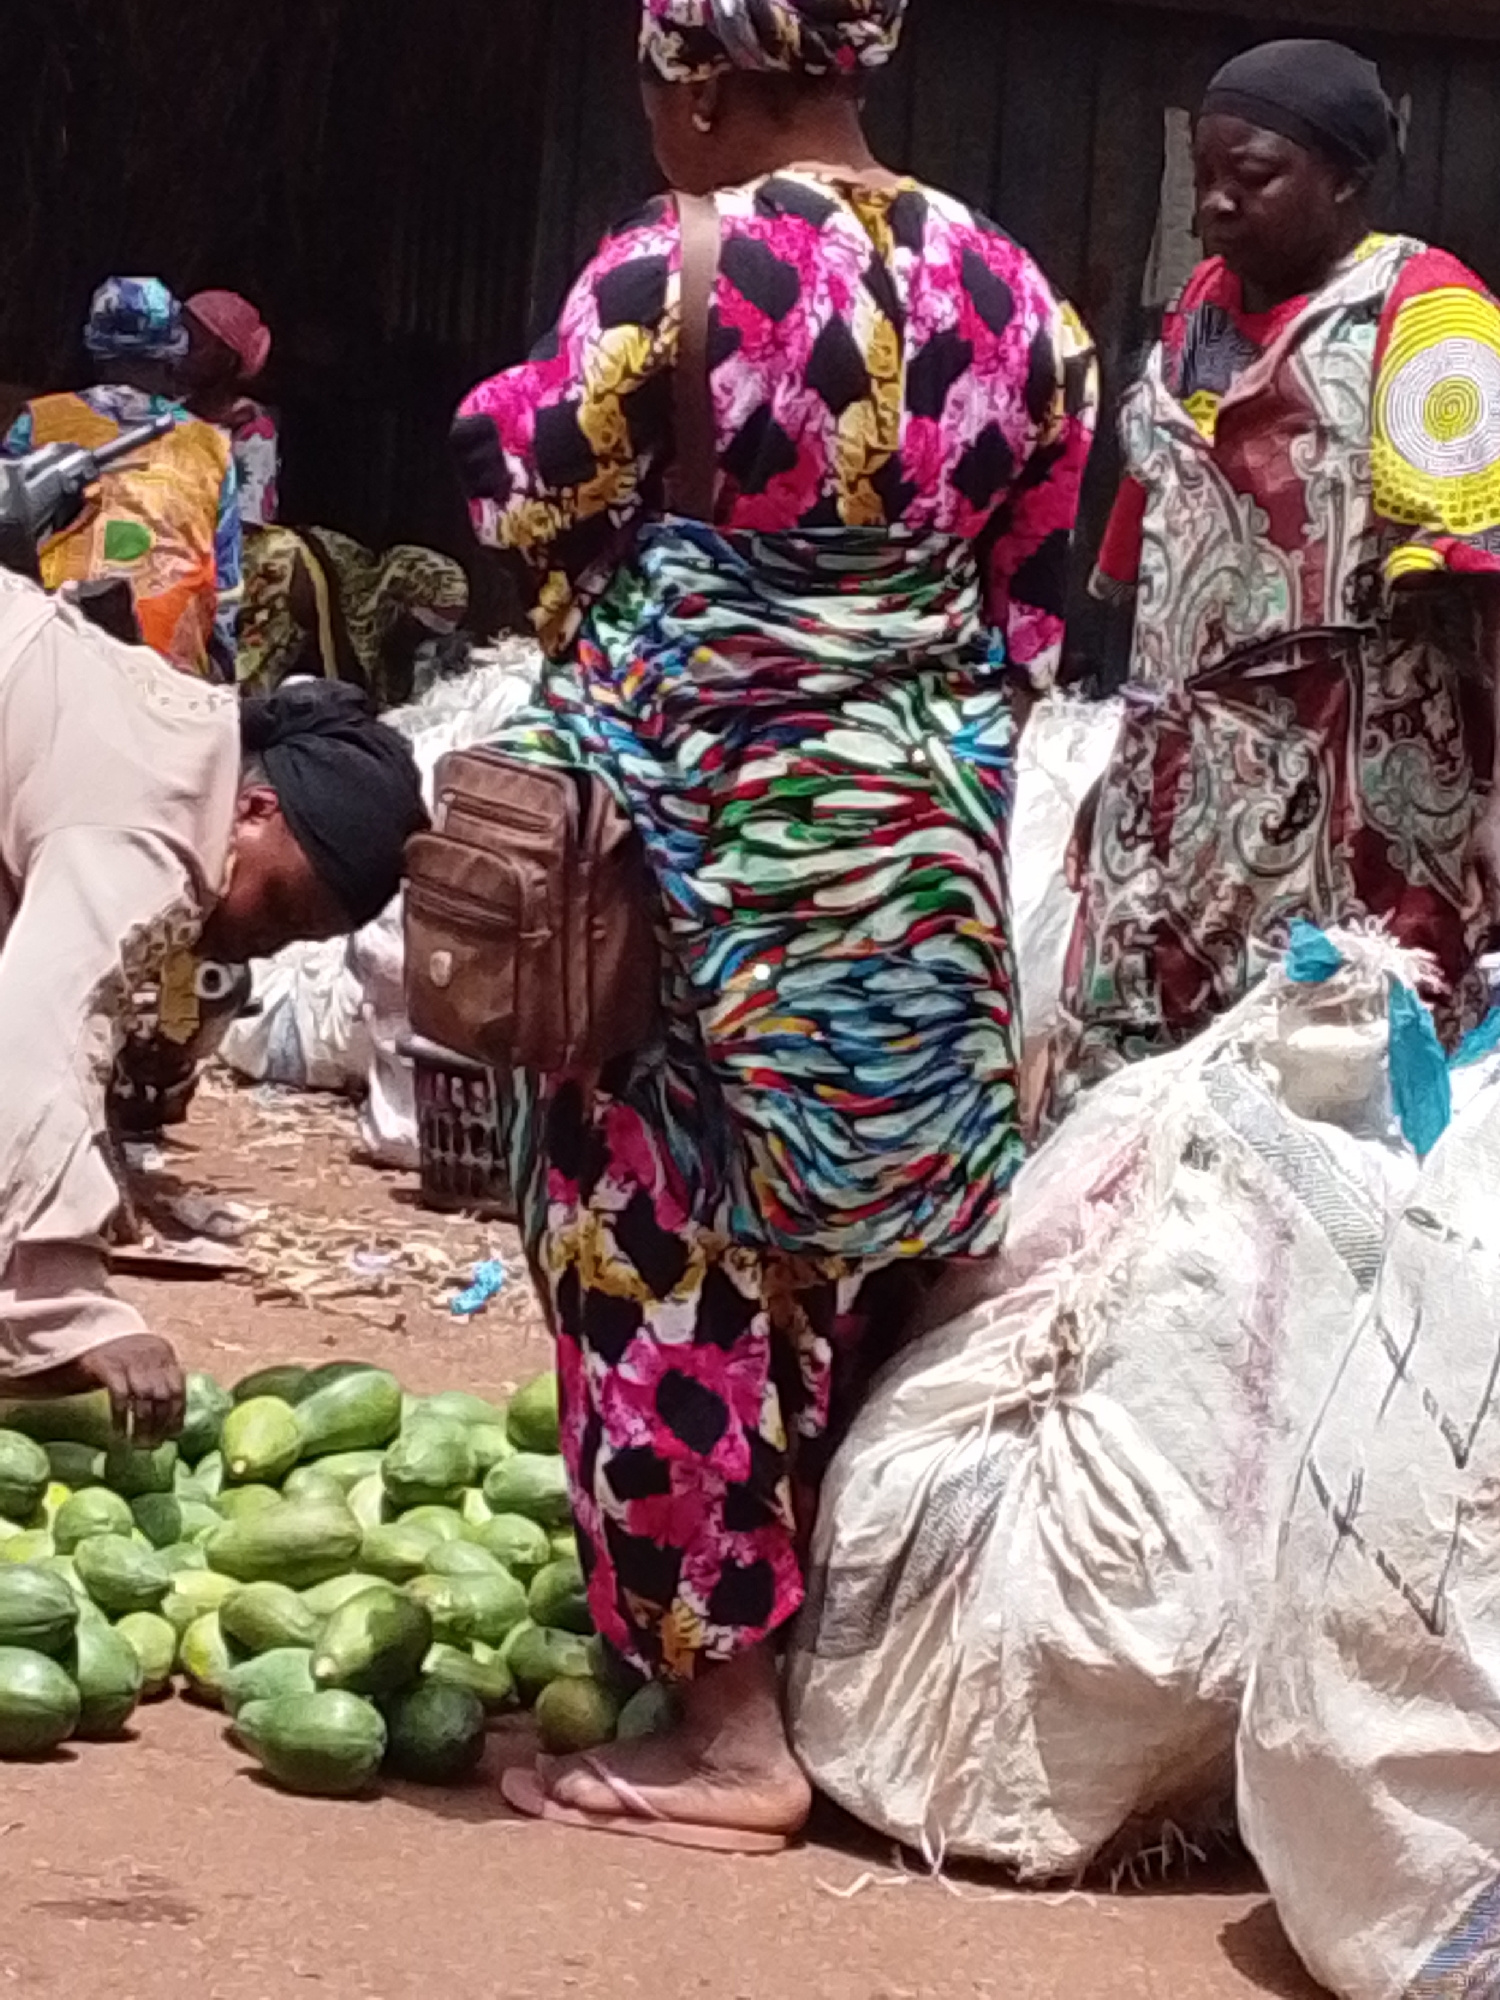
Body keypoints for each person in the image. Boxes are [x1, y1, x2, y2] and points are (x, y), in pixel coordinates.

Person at [452, 0, 1097, 1849]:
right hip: (908, 854)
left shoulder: (670, 271)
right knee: (865, 1235)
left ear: (707, 83)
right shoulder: (1021, 292)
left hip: (699, 850)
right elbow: (1030, 586)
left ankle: (732, 1738)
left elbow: (518, 492)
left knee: (654, 1248)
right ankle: (851, 1664)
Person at [1055, 40, 1500, 1107]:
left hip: (1359, 802)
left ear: (1346, 178)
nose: (1215, 203)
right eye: (1205, 173)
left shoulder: (1429, 316)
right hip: (1181, 808)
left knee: (1333, 1090)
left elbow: (1486, 576)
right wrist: (1118, 770)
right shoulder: (1202, 311)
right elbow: (1162, 550)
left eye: (1251, 176)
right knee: (1139, 1097)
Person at [0, 567, 425, 1443]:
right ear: (256, 812)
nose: (261, 948)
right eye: (280, 913)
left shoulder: (182, 738)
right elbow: (40, 1031)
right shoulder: (152, 828)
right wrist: (73, 1311)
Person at [3, 278, 244, 680]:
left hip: (49, 647)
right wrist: (221, 672)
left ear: (96, 346)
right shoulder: (212, 446)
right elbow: (226, 586)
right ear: (172, 352)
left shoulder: (37, 423)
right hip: (168, 663)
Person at [235, 525, 468, 708]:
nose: (416, 638)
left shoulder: (379, 640)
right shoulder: (299, 571)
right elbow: (250, 677)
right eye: (418, 624)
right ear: (398, 595)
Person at [181, 289, 280, 528]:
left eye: (195, 343)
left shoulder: (252, 429)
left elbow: (248, 520)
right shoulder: (168, 412)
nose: (181, 351)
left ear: (226, 358)